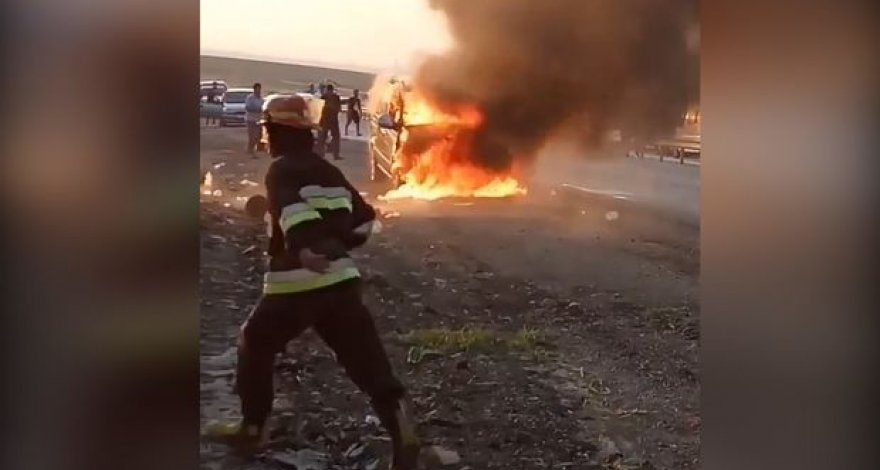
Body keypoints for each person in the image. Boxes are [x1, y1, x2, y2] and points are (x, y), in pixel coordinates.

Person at [205, 95, 419, 470]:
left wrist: (305, 249)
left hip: (298, 281)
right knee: (367, 363)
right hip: (342, 280)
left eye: (269, 131)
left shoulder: (281, 170)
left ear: (278, 133)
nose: (267, 139)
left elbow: (292, 210)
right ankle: (401, 430)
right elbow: (366, 219)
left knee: (254, 342)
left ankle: (253, 427)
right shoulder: (329, 172)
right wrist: (339, 246)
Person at [319, 84, 343, 160]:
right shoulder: (336, 97)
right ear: (332, 90)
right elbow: (339, 109)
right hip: (333, 120)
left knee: (322, 138)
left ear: (327, 89)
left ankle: (320, 155)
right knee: (336, 137)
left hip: (325, 120)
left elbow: (319, 109)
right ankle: (336, 155)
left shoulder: (323, 97)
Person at [244, 83, 264, 157]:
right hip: (251, 119)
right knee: (252, 136)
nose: (258, 90)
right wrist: (257, 109)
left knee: (258, 136)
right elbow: (248, 108)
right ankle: (252, 151)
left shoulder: (261, 99)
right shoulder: (250, 98)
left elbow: (263, 108)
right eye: (257, 89)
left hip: (258, 119)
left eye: (259, 89)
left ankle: (250, 149)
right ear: (254, 89)